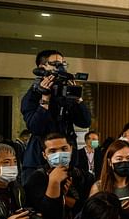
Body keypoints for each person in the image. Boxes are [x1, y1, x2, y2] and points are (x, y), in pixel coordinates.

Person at [20, 50, 92, 182]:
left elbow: (85, 122)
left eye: (63, 64)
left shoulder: (66, 93)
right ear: (42, 68)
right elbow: (35, 127)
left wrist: (78, 100)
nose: (61, 68)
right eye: (56, 64)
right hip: (40, 159)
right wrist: (45, 99)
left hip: (68, 156)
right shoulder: (32, 96)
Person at [23, 133, 90, 219]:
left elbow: (88, 207)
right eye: (53, 151)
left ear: (71, 149)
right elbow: (46, 213)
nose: (59, 154)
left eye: (64, 149)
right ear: (44, 155)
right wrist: (53, 183)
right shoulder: (36, 179)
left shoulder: (82, 176)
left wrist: (66, 199)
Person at [89, 139, 129, 211]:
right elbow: (91, 214)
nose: (124, 162)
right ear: (109, 162)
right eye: (119, 159)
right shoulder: (99, 186)